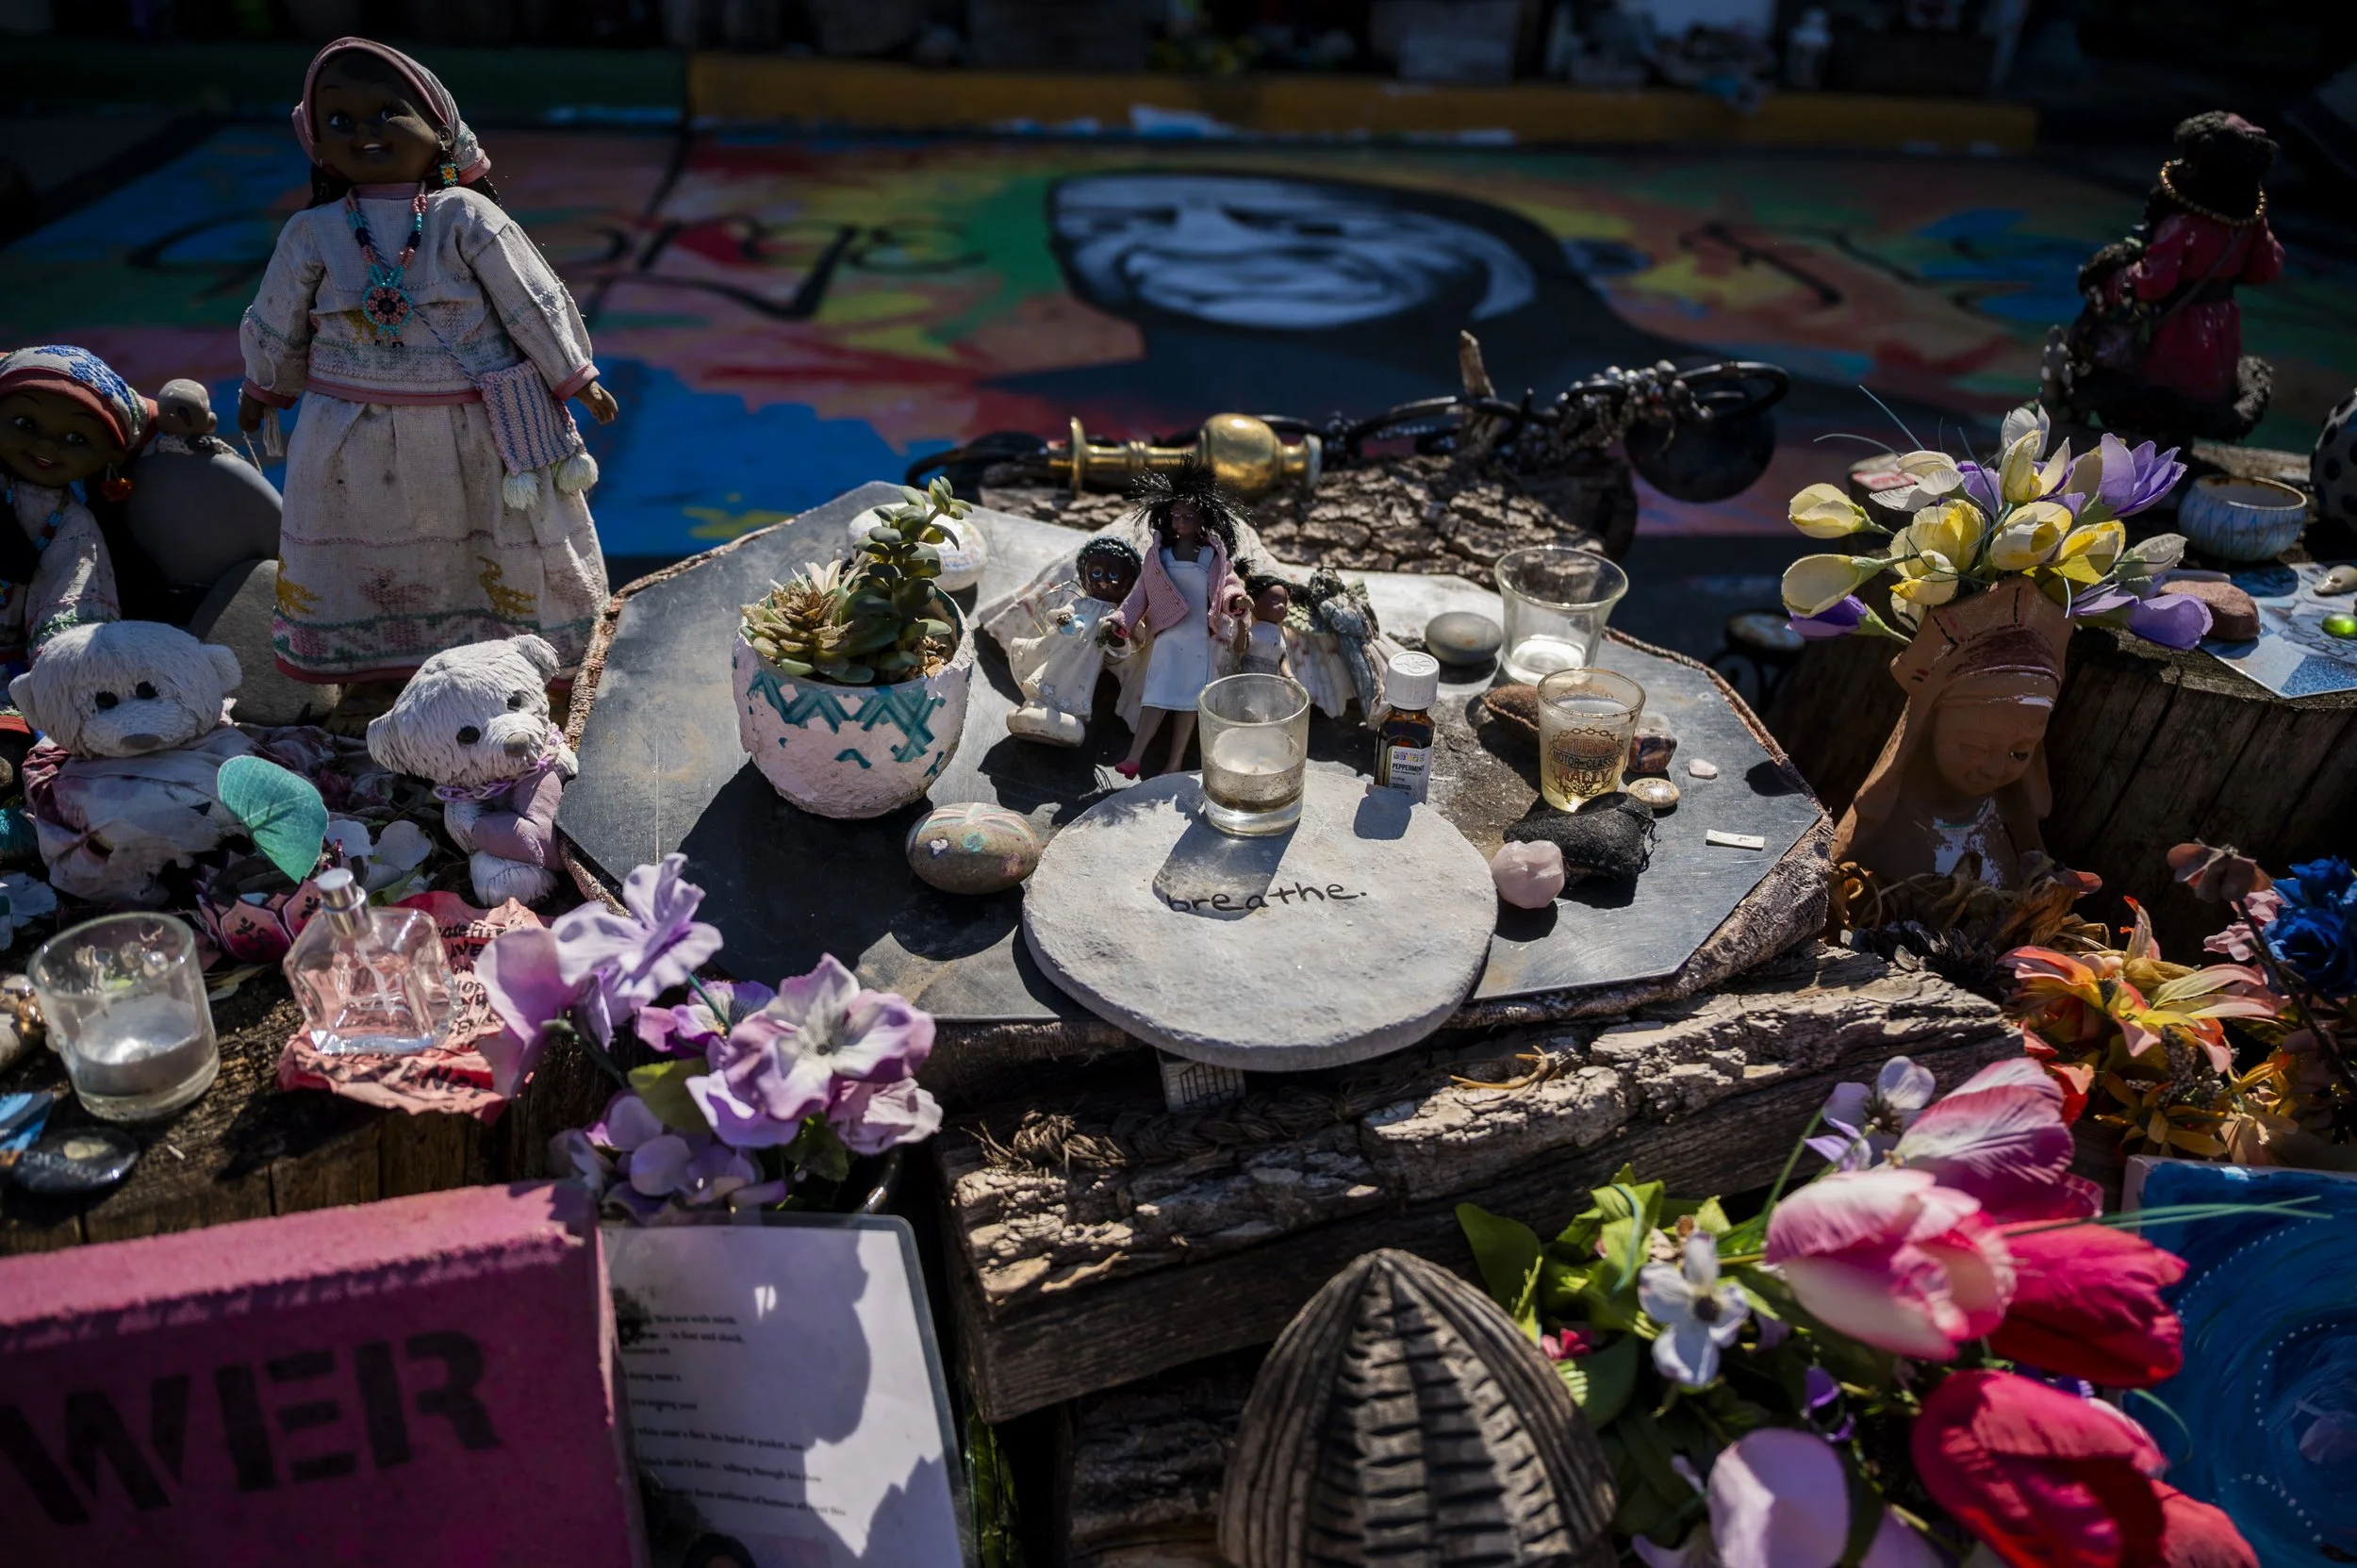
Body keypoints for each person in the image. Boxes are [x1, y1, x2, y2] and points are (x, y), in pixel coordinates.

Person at [239, 37, 615, 724]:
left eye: (387, 113)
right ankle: (374, 680)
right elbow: (278, 317)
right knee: (366, 548)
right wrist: (265, 384)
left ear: (442, 131)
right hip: (350, 438)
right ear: (314, 139)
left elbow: (530, 297)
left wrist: (574, 375)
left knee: (484, 544)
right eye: (341, 121)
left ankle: (513, 674)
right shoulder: (314, 232)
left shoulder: (465, 217)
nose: (364, 132)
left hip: (473, 430)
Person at [1108, 463, 1249, 778]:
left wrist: (1237, 601)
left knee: (1189, 703)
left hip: (1201, 640)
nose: (1181, 521)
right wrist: (1121, 620)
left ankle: (1174, 763)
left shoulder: (1213, 555)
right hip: (1169, 638)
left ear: (1203, 520)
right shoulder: (1159, 555)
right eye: (1176, 515)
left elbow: (1228, 585)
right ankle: (1134, 756)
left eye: (1188, 516)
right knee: (1156, 695)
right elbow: (1140, 594)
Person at [0, 344, 136, 664]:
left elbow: (71, 602)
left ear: (112, 455)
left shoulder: (73, 525)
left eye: (77, 439)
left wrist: (59, 663)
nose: (46, 445)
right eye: (24, 423)